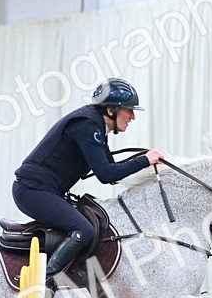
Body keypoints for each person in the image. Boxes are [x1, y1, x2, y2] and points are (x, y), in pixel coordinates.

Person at [12, 77, 163, 281]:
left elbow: (111, 171)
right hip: (33, 191)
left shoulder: (97, 127)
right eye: (129, 110)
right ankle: (45, 282)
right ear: (111, 110)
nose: (133, 116)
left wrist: (144, 162)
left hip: (43, 190)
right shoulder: (87, 125)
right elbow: (106, 174)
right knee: (83, 229)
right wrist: (144, 160)